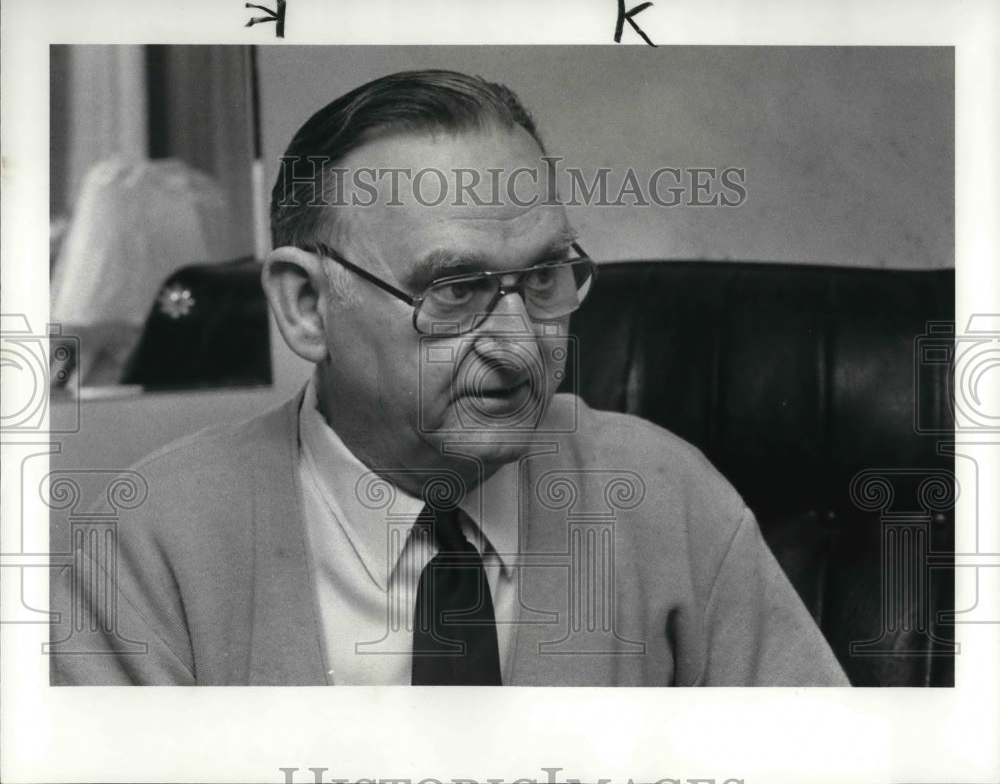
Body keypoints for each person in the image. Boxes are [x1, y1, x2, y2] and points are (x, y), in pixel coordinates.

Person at [50, 69, 848, 686]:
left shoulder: (665, 491)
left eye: (543, 277)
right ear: (305, 306)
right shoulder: (151, 540)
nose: (518, 345)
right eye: (455, 290)